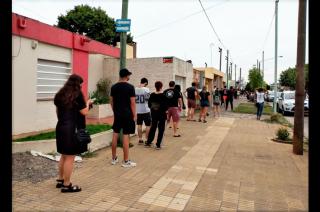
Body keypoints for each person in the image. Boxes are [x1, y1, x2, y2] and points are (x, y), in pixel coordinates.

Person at [54, 74, 93, 193]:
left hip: (61, 126)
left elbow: (57, 112)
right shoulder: (78, 95)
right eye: (81, 84)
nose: (81, 87)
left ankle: (60, 180)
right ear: (78, 84)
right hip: (72, 129)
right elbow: (85, 112)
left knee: (63, 155)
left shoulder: (60, 94)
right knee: (70, 157)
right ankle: (67, 185)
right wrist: (88, 103)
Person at [110, 68, 137, 168]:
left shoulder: (114, 87)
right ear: (126, 76)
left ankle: (113, 158)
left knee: (115, 134)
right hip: (127, 114)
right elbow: (133, 103)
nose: (129, 77)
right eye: (129, 75)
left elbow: (111, 102)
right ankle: (126, 161)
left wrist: (115, 111)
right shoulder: (130, 87)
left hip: (117, 114)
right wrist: (134, 115)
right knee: (126, 136)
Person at [145, 81, 168, 149]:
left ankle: (149, 142)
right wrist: (160, 108)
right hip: (162, 114)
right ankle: (158, 145)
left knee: (153, 128)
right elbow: (165, 106)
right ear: (161, 86)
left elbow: (149, 105)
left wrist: (155, 107)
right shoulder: (164, 95)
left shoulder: (152, 95)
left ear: (155, 86)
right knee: (161, 129)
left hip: (154, 114)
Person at [135, 78, 151, 145]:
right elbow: (148, 99)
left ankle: (140, 139)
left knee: (139, 125)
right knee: (148, 125)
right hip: (146, 110)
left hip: (138, 110)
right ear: (146, 83)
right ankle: (147, 139)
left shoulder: (135, 89)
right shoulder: (146, 89)